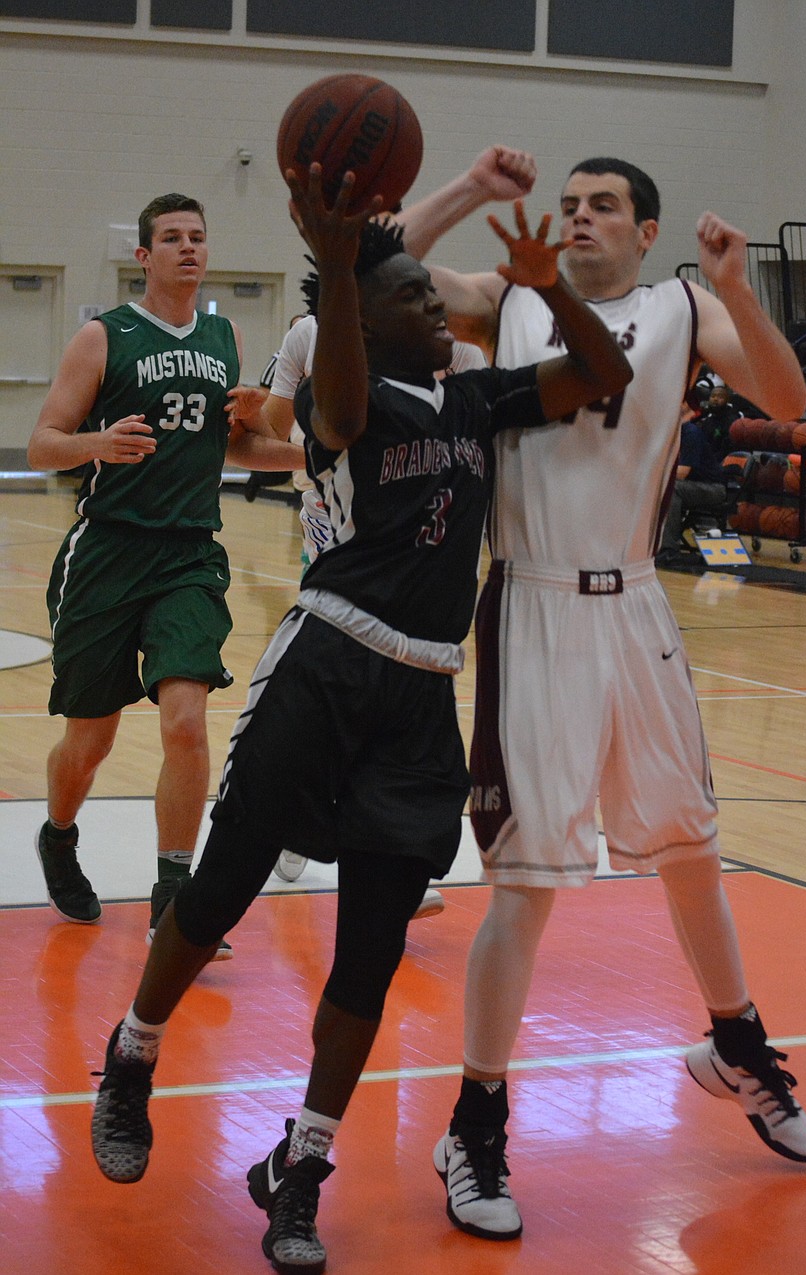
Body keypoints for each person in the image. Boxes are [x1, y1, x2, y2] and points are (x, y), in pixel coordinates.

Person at [88, 164, 631, 1275]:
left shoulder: (474, 398)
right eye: (415, 297)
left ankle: (301, 1171)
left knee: (371, 951)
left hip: (422, 693)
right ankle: (134, 1053)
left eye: (436, 294)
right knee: (221, 887)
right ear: (369, 319)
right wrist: (337, 269)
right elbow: (333, 404)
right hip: (326, 665)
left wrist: (547, 285)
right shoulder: (345, 398)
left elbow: (601, 373)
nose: (438, 307)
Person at [398, 152, 806, 1241]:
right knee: (526, 882)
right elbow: (384, 258)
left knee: (691, 846)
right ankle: (474, 1125)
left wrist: (737, 288)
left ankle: (734, 1043)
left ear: (645, 234)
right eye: (570, 204)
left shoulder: (683, 307)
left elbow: (788, 400)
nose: (580, 218)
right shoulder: (508, 301)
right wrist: (472, 189)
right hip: (532, 603)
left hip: (637, 602)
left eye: (604, 207)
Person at [28, 192, 304, 959]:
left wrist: (317, 454)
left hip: (188, 554)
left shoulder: (224, 336)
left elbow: (228, 446)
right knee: (91, 741)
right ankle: (58, 834)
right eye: (173, 238)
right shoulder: (103, 336)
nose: (189, 248)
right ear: (144, 256)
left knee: (185, 719)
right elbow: (43, 442)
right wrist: (96, 443)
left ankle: (175, 897)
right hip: (107, 554)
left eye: (198, 237)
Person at [233, 313, 487, 907]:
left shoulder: (458, 350)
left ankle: (383, 857)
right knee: (329, 687)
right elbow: (257, 442)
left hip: (423, 537)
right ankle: (291, 815)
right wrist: (309, 451)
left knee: (396, 699)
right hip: (336, 528)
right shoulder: (309, 335)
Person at [656, 405, 729, 561]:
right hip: (693, 485)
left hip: (713, 488)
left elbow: (682, 473)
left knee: (672, 489)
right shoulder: (669, 436)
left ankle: (668, 549)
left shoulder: (690, 434)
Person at [697, 382, 742, 459]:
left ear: (727, 400)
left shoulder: (732, 421)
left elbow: (728, 449)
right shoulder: (707, 421)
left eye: (720, 397)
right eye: (713, 396)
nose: (715, 399)